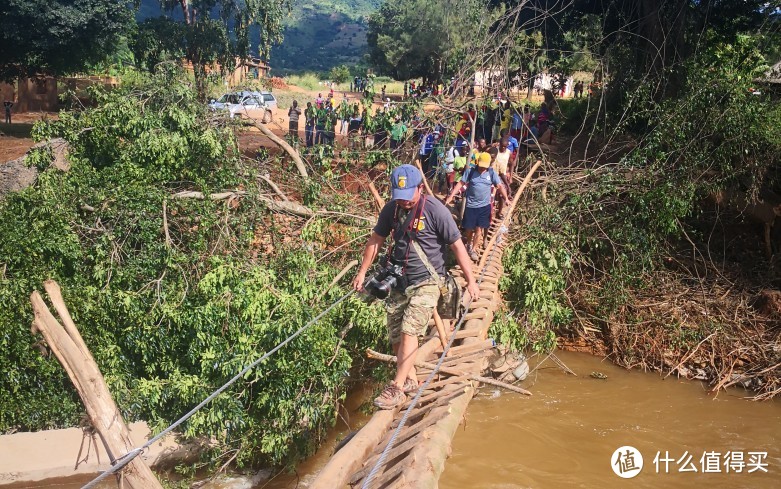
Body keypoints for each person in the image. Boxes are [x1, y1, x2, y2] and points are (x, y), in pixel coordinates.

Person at [352, 165, 479, 409]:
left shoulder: (435, 211)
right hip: (399, 280)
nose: (404, 201)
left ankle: (397, 387)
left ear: (420, 188)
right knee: (396, 333)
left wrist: (471, 281)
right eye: (399, 196)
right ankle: (409, 378)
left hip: (428, 280)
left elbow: (458, 247)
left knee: (411, 329)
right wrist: (362, 272)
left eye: (408, 195)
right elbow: (376, 240)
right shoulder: (391, 210)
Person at [445, 152, 509, 261]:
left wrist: (506, 198)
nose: (483, 168)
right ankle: (469, 244)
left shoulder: (491, 173)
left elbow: (500, 186)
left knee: (479, 229)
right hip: (471, 205)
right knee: (469, 229)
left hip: (484, 206)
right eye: (481, 165)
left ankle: (473, 249)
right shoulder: (471, 171)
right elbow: (461, 183)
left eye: (485, 166)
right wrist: (451, 195)